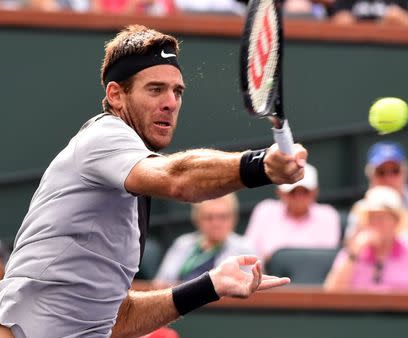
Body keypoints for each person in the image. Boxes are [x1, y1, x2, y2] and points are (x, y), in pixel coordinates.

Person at [0, 25, 306, 338]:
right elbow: (178, 178)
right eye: (155, 89)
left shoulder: (126, 194)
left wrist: (210, 285)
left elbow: (118, 319)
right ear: (116, 95)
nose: (171, 102)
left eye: (177, 91)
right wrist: (260, 165)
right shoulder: (103, 137)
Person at [324, 186, 408, 293]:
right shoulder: (352, 252)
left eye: (381, 218)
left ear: (396, 222)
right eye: (371, 218)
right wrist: (353, 255)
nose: (375, 223)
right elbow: (331, 292)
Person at [345, 141, 408, 244]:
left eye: (395, 171)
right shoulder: (361, 209)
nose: (388, 178)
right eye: (381, 172)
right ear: (370, 176)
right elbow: (351, 249)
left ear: (405, 172)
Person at [245, 163, 341, 262]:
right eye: (292, 192)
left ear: (315, 192)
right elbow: (249, 252)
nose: (299, 197)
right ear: (280, 193)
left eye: (305, 192)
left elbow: (328, 260)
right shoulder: (265, 211)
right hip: (269, 276)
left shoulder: (328, 215)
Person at [154, 193, 255, 284]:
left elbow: (252, 290)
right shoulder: (182, 244)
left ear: (234, 218)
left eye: (223, 217)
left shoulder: (244, 249)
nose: (216, 223)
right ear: (197, 219)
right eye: (209, 217)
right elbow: (160, 283)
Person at [329, 0, 408, 27]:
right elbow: (333, 21)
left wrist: (402, 19)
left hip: (391, 51)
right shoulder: (346, 2)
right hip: (353, 51)